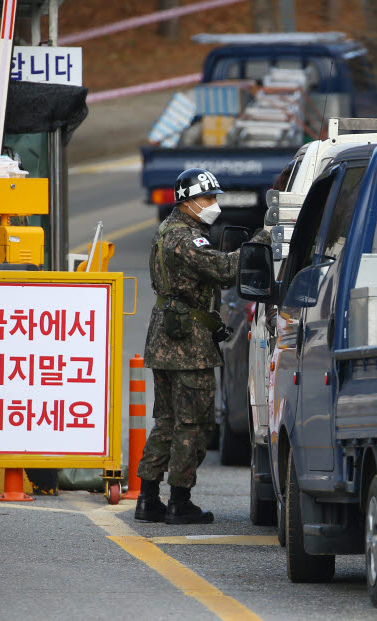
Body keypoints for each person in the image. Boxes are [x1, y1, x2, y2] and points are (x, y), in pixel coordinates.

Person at [135, 168, 271, 524]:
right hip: (186, 344)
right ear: (187, 202)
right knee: (193, 424)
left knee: (165, 421)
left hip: (166, 337)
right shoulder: (186, 238)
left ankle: (148, 498)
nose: (214, 205)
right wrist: (261, 242)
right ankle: (180, 501)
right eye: (207, 199)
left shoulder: (169, 231)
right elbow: (225, 270)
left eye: (214, 197)